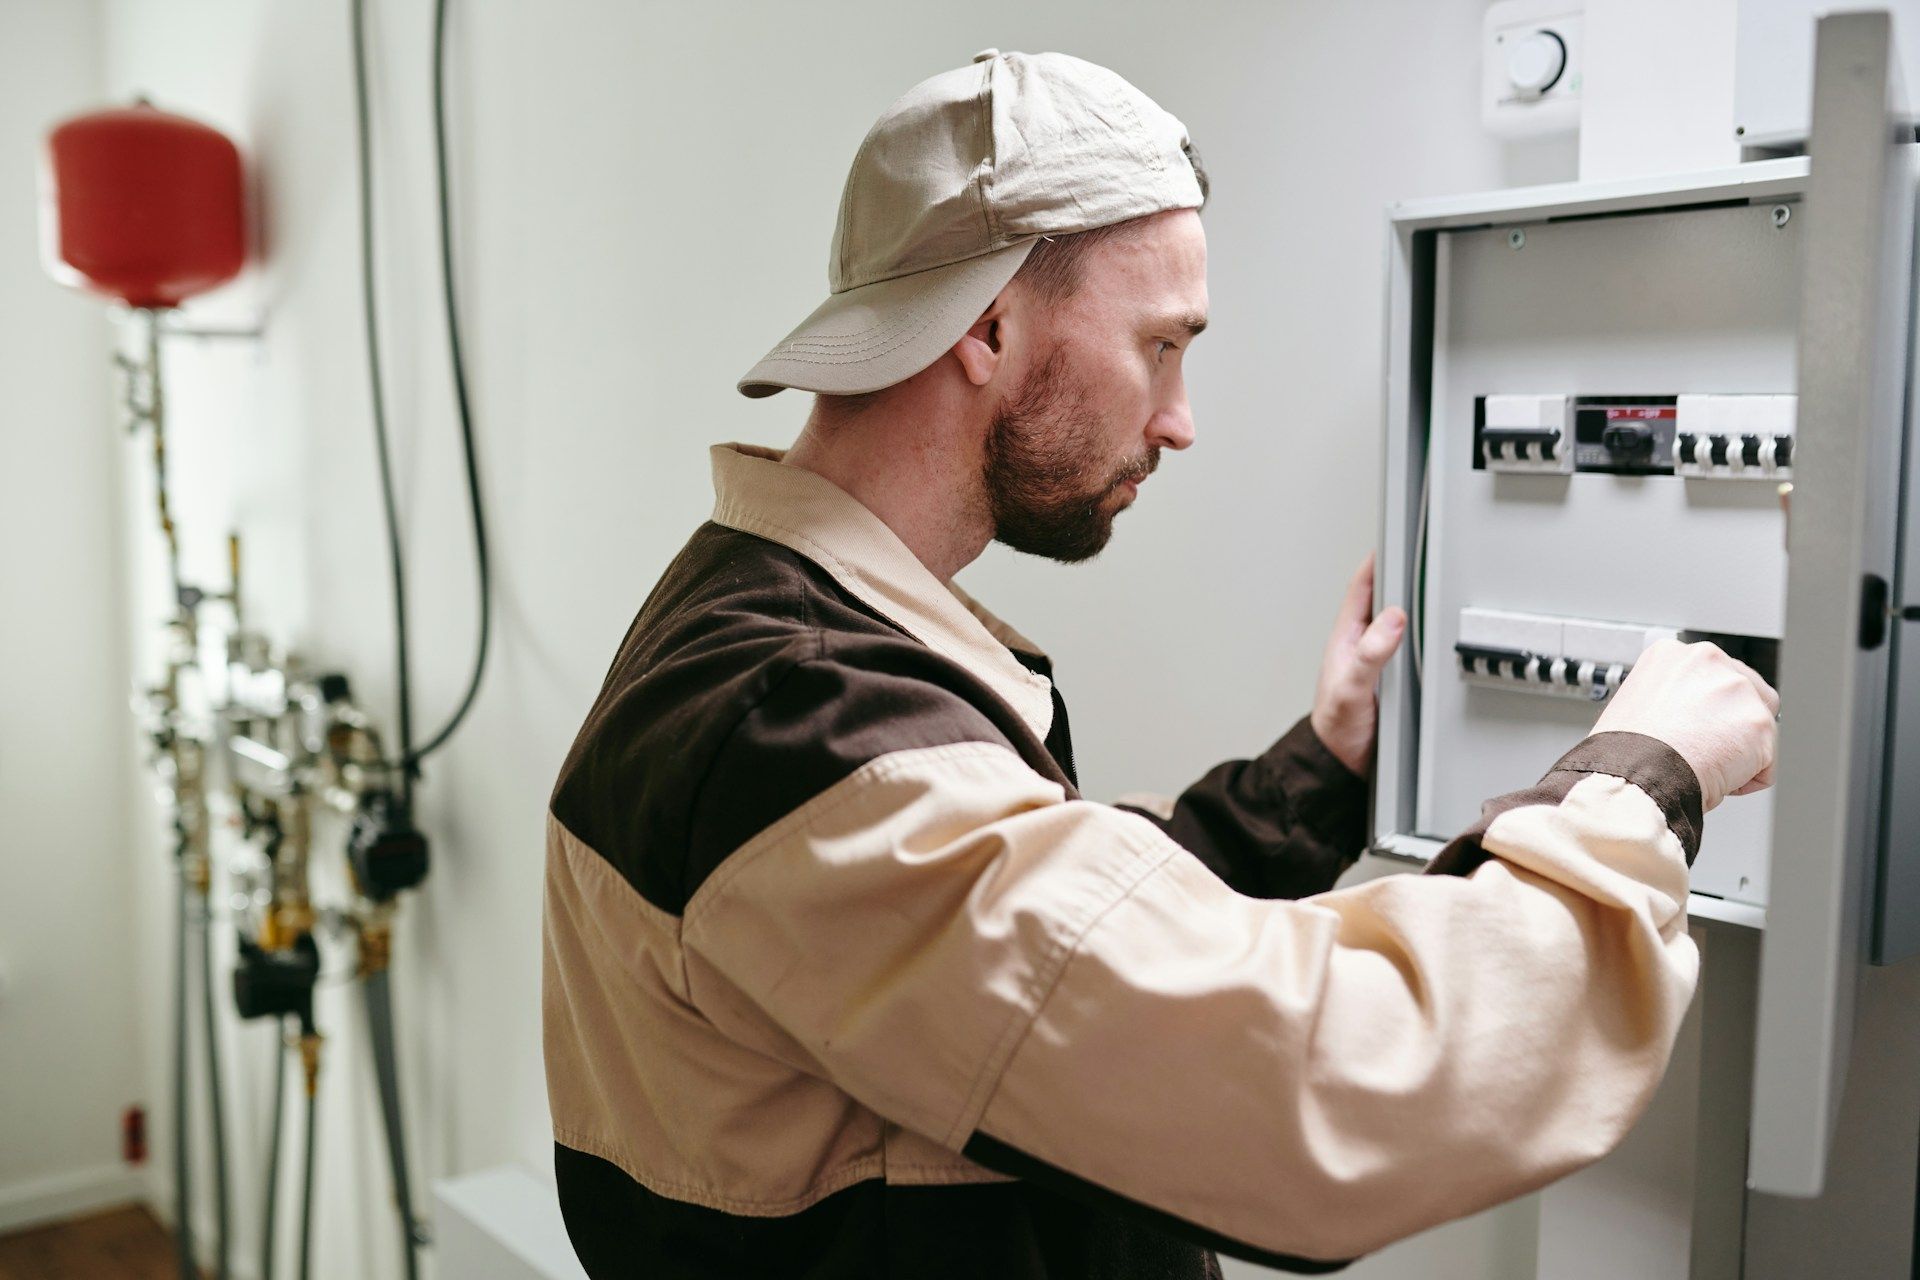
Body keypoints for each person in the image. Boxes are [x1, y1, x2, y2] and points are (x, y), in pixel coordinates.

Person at [542, 49, 1778, 1279]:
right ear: (987, 326)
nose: (1180, 416)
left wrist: (1316, 769)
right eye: (1161, 345)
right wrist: (1644, 775)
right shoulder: (796, 726)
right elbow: (1334, 1085)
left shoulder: (765, 623)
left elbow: (1049, 976)